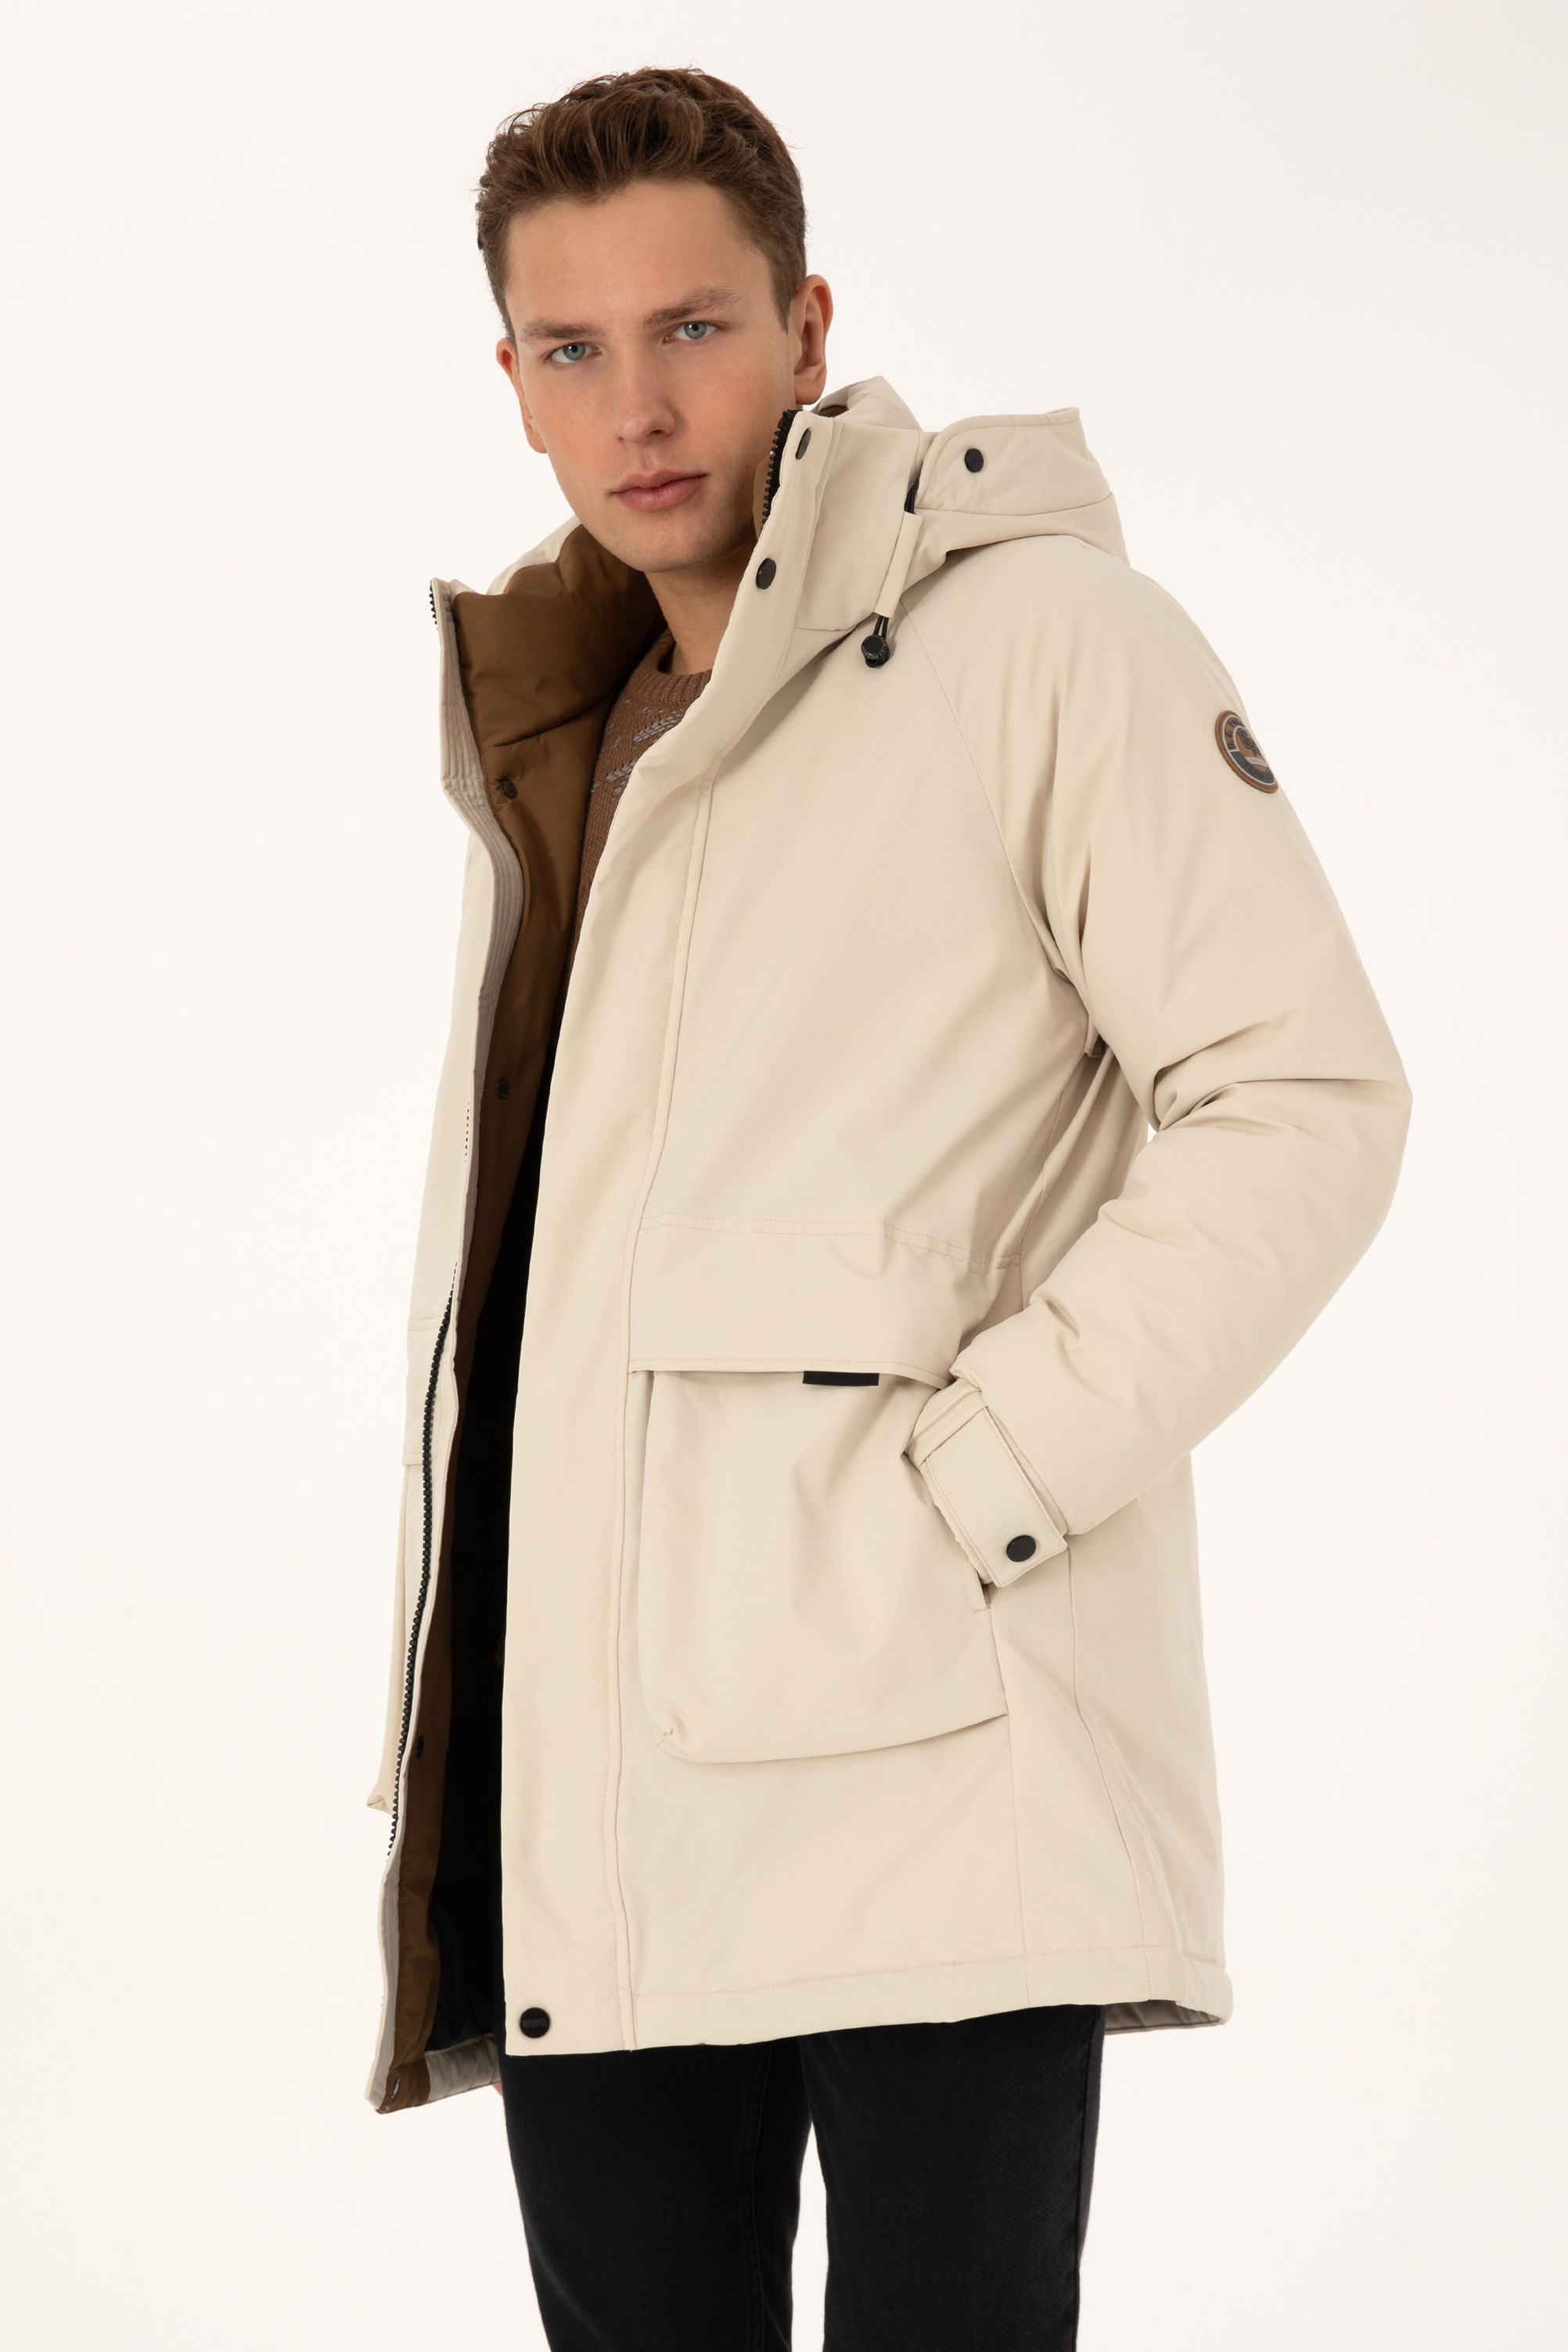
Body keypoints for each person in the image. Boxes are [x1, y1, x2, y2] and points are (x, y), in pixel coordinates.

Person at [364, 67, 1409, 2351]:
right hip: (602, 1796)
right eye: (574, 349)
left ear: (809, 327)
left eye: (694, 328)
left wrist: (985, 1474)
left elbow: (1304, 1092)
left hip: (939, 1762)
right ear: (511, 379)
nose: (639, 408)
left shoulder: (1043, 645)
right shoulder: (579, 727)